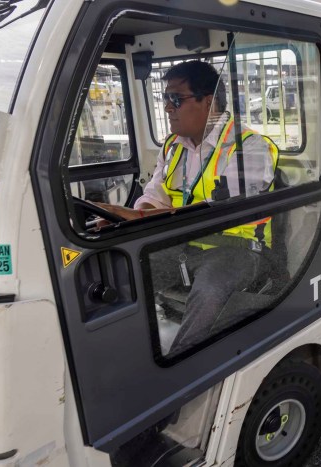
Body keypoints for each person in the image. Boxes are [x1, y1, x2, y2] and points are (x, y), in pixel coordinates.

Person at [96, 60, 279, 356]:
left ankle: (179, 369)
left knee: (209, 288)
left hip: (241, 249)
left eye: (175, 99)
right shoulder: (172, 146)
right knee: (123, 271)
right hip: (185, 243)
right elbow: (153, 197)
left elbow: (217, 212)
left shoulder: (249, 148)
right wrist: (125, 221)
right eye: (164, 98)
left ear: (208, 102)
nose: (168, 108)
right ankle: (128, 352)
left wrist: (137, 216)